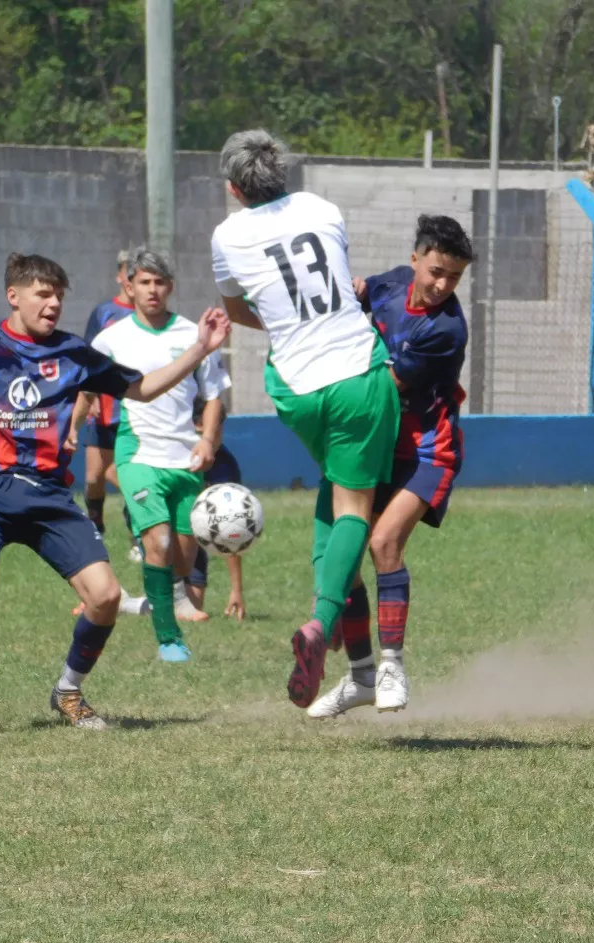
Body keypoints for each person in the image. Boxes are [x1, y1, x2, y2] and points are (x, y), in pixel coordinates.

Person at [0, 220, 229, 735]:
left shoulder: (74, 353)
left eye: (59, 297)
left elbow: (139, 389)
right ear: (14, 296)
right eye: (42, 294)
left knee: (106, 596)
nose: (53, 305)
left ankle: (68, 691)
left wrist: (199, 351)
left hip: (49, 495)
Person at [210, 129, 400, 708]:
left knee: (332, 494)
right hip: (356, 373)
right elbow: (339, 280)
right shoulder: (322, 208)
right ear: (282, 174)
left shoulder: (226, 234)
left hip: (294, 386)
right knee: (355, 509)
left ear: (234, 188)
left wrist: (285, 323)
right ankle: (321, 624)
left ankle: (353, 658)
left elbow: (236, 305)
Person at [309, 214, 473, 718]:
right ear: (416, 260)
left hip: (428, 451)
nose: (443, 285)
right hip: (376, 447)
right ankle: (360, 676)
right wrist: (351, 296)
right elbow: (355, 302)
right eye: (436, 271)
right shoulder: (388, 285)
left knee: (383, 543)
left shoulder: (447, 330)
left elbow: (382, 388)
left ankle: (392, 665)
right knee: (347, 556)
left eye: (454, 277)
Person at [74, 248, 230, 662]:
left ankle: (140, 602)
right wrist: (72, 429)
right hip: (138, 454)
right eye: (144, 282)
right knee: (157, 543)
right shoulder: (112, 338)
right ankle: (168, 639)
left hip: (185, 458)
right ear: (129, 287)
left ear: (171, 287)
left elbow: (214, 396)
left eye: (160, 282)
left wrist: (208, 440)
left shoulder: (192, 335)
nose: (152, 290)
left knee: (182, 559)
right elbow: (86, 388)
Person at [81, 251, 137, 553]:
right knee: (93, 477)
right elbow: (88, 357)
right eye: (129, 274)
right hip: (102, 405)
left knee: (129, 474)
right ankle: (95, 529)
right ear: (120, 276)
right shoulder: (104, 313)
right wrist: (87, 396)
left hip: (134, 408)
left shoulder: (148, 315)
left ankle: (136, 536)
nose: (132, 281)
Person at [182, 399, 248, 622]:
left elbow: (231, 527)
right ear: (200, 424)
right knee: (170, 604)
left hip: (196, 538)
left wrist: (236, 589)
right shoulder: (175, 453)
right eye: (218, 425)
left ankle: (131, 603)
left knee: (194, 607)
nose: (220, 433)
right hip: (166, 534)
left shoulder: (225, 466)